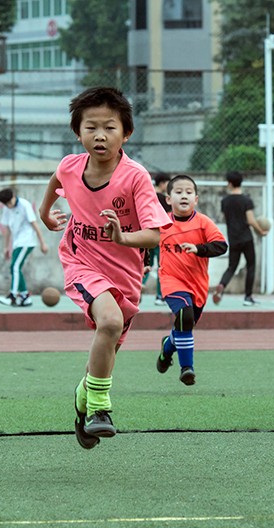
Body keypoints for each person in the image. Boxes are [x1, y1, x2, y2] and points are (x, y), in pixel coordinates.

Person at [39, 86, 171, 448]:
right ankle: (100, 407)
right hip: (81, 262)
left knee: (107, 347)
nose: (100, 135)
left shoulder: (135, 177)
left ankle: (84, 401)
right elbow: (56, 180)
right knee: (109, 322)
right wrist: (44, 213)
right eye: (91, 127)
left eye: (109, 128)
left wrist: (122, 238)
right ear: (77, 132)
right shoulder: (70, 165)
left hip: (125, 275)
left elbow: (156, 235)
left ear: (126, 133)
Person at [155, 175, 227, 385]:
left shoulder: (203, 223)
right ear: (168, 199)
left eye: (188, 192)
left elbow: (221, 246)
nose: (183, 196)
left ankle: (167, 347)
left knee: (185, 325)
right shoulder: (162, 223)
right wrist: (144, 262)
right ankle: (187, 368)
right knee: (184, 317)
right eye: (178, 192)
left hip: (197, 285)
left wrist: (199, 249)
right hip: (171, 281)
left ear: (196, 199)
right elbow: (146, 243)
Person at [213, 171, 268, 306]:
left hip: (233, 238)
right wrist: (260, 231)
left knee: (232, 266)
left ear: (230, 183)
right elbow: (250, 220)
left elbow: (227, 219)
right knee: (251, 265)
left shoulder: (224, 201)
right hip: (246, 238)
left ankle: (221, 285)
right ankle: (248, 297)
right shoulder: (246, 200)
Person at [0, 187, 49, 307]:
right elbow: (7, 230)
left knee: (15, 266)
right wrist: (6, 247)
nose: (9, 205)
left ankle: (13, 296)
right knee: (14, 268)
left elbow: (34, 224)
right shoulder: (6, 209)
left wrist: (43, 243)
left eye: (10, 202)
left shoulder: (25, 205)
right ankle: (24, 296)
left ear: (13, 197)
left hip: (27, 241)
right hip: (17, 243)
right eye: (6, 204)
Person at [142, 172, 171, 305]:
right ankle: (160, 296)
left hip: (147, 235)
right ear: (163, 183)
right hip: (161, 237)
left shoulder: (148, 197)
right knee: (161, 267)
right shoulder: (165, 201)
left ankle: (138, 287)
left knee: (146, 264)